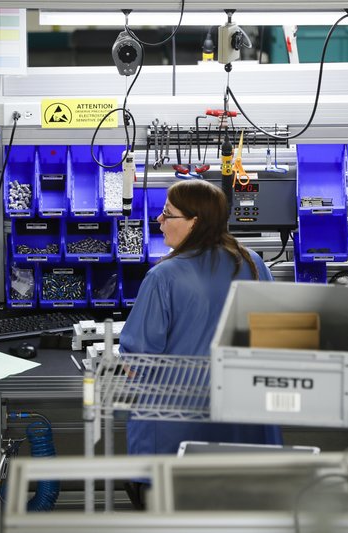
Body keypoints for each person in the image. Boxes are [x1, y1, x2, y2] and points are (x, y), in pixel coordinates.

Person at [119, 179, 282, 461]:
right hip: (244, 427)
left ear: (194, 222)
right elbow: (273, 340)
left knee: (171, 503)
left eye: (168, 214)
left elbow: (137, 361)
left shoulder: (163, 276)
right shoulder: (254, 264)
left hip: (176, 431)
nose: (159, 219)